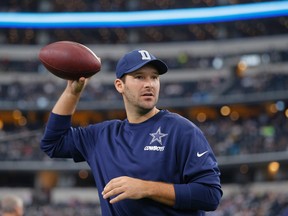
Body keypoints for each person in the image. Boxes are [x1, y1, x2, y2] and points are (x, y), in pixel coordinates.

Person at [40, 49, 223, 215]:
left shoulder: (182, 130)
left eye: (154, 77)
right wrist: (72, 93)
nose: (149, 84)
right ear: (120, 85)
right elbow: (53, 143)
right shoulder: (103, 136)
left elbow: (210, 194)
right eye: (139, 77)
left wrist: (146, 188)